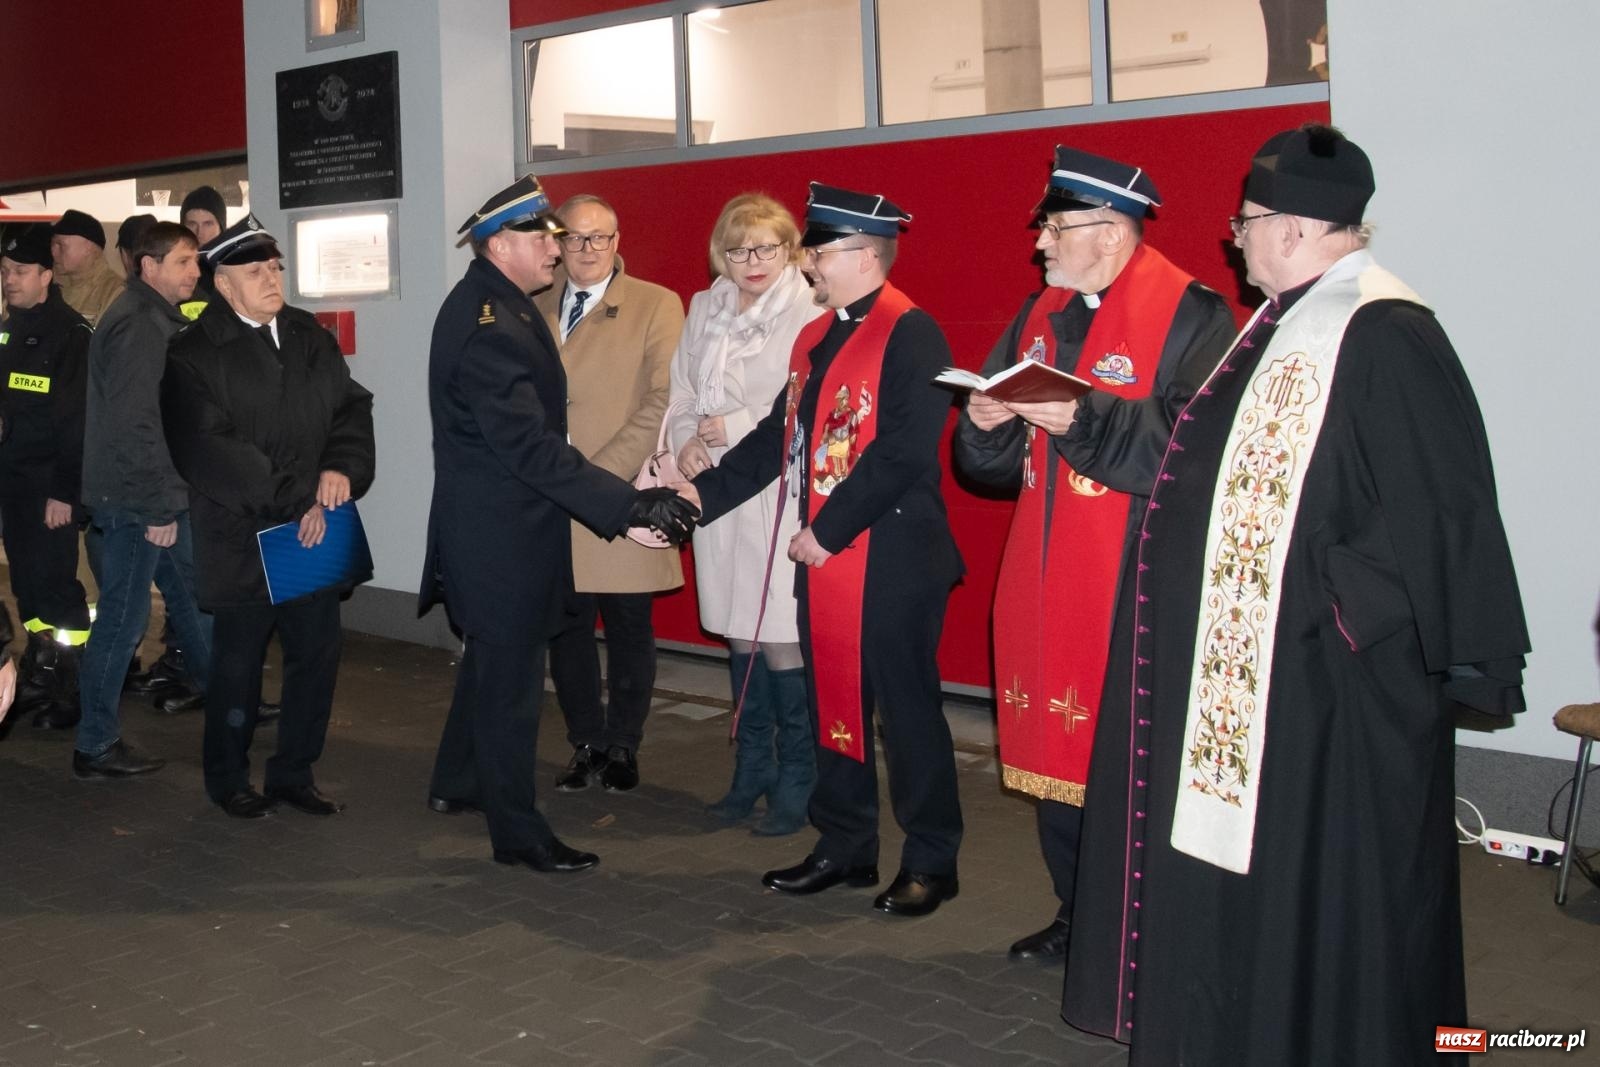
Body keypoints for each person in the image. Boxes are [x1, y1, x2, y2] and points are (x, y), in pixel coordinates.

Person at [1057, 124, 1529, 1065]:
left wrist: (1336, 611)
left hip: (1329, 689)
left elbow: (1445, 507)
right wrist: (1075, 414)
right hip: (1263, 682)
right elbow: (1188, 451)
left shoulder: (1387, 331)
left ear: (1293, 227)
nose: (1233, 238)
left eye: (1245, 222)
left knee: (1335, 893)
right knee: (1261, 890)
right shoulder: (1274, 325)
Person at [951, 147, 1235, 961]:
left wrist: (1080, 415)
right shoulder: (1039, 312)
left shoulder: (1193, 314)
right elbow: (989, 471)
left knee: (1131, 764)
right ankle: (1079, 912)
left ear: (1110, 233)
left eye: (1054, 227)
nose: (1040, 243)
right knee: (1056, 758)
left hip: (1135, 582)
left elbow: (1197, 450)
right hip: (1042, 578)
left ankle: (1146, 928)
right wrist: (983, 425)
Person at [680, 182, 965, 916]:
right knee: (833, 698)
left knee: (907, 715)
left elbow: (903, 453)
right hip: (829, 556)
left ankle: (931, 858)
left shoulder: (912, 333)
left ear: (866, 255)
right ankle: (846, 844)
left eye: (819, 251)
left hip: (894, 558)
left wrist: (827, 530)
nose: (807, 263)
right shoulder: (818, 337)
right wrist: (696, 500)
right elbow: (776, 440)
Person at [419, 174, 698, 873]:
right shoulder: (492, 324)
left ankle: (458, 780)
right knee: (512, 690)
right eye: (542, 237)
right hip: (502, 537)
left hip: (499, 527)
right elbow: (528, 446)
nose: (556, 248)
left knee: (488, 668)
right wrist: (625, 505)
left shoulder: (498, 305)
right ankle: (519, 833)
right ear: (500, 245)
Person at [162, 214, 375, 820]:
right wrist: (297, 500)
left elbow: (351, 406)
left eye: (276, 268)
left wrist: (341, 466)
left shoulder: (308, 335)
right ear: (223, 284)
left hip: (310, 530)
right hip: (246, 532)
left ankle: (293, 773)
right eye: (255, 271)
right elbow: (211, 448)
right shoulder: (193, 353)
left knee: (316, 655)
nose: (272, 279)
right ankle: (228, 778)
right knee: (238, 665)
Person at [667, 193, 824, 835]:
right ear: (720, 255)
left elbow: (805, 399)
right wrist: (685, 439)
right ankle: (751, 767)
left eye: (766, 247)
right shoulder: (705, 306)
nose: (752, 260)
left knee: (779, 628)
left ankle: (799, 776)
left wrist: (730, 425)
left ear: (789, 250)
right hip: (714, 483)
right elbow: (681, 389)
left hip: (777, 484)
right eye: (738, 250)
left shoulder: (811, 308)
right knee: (738, 628)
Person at [532, 195, 686, 794]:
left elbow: (662, 400)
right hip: (552, 495)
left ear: (617, 242)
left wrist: (595, 479)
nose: (587, 249)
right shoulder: (533, 302)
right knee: (567, 629)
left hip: (622, 494)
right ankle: (586, 742)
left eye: (599, 237)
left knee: (627, 627)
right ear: (559, 243)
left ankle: (623, 744)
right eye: (574, 237)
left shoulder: (656, 304)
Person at [75, 222, 213, 779]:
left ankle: (232, 701)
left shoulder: (153, 318)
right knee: (123, 620)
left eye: (196, 261)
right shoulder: (139, 324)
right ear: (148, 267)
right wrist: (158, 508)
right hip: (137, 500)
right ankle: (95, 744)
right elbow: (138, 424)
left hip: (153, 494)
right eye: (183, 261)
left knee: (196, 599)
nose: (195, 271)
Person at [0, 223, 93, 730]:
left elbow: (77, 422)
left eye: (20, 271)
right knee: (27, 584)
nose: (9, 280)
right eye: (4, 271)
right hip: (13, 483)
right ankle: (43, 665)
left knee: (57, 587)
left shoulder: (70, 334)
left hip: (49, 488)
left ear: (45, 276)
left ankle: (73, 687)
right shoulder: (7, 329)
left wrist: (65, 492)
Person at [50, 209, 123, 326]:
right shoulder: (49, 287)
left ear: (88, 248)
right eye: (52, 244)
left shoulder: (115, 292)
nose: (53, 252)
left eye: (61, 245)